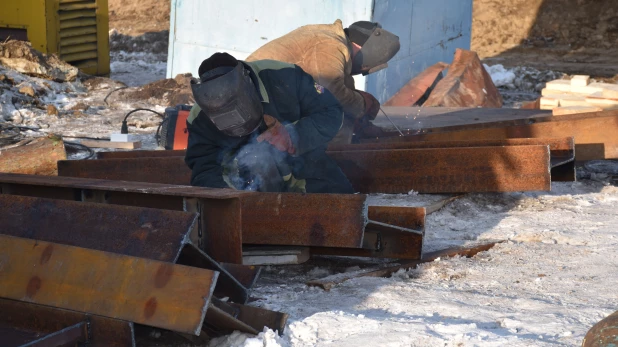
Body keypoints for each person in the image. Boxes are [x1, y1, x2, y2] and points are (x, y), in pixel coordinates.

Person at [184, 52, 355, 194]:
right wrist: (230, 197)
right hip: (244, 184)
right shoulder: (199, 118)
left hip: (306, 166)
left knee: (344, 207)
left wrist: (293, 135)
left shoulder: (286, 76)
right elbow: (204, 169)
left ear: (248, 83)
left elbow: (332, 112)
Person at [246, 20, 400, 143]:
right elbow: (331, 92)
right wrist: (363, 104)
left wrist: (362, 124)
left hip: (259, 102)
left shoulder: (331, 44)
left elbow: (329, 90)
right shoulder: (330, 45)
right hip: (250, 100)